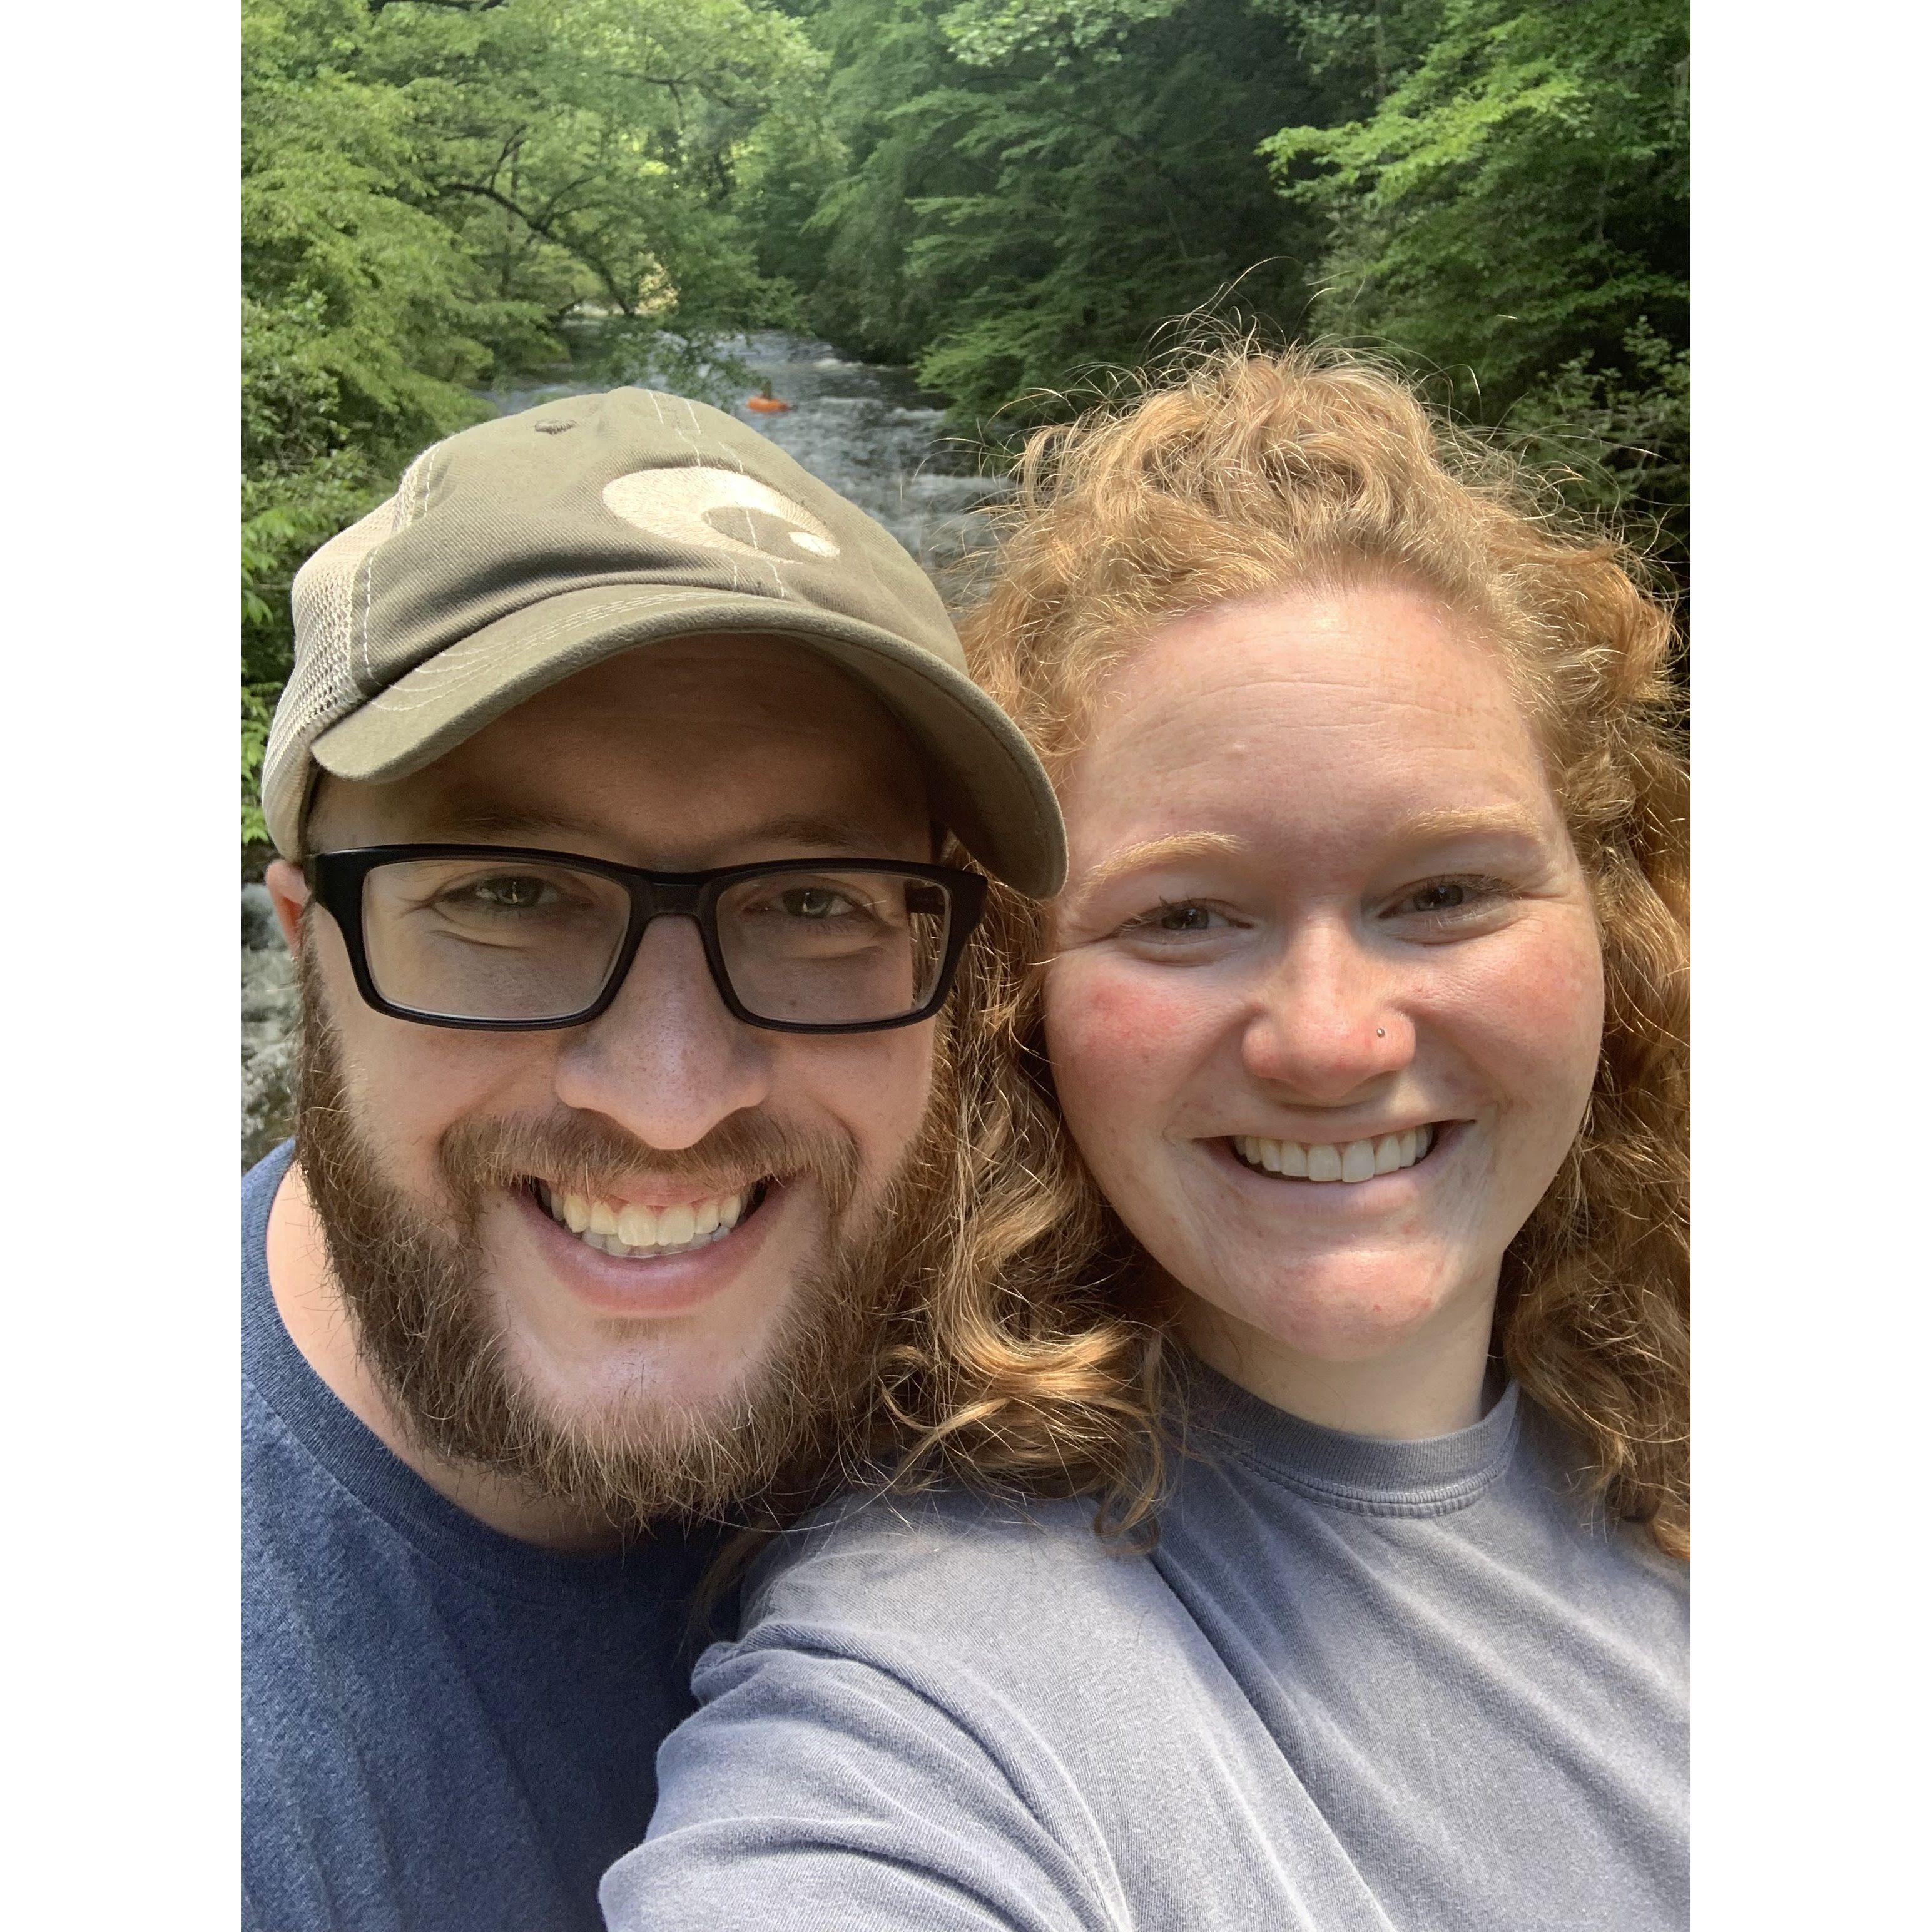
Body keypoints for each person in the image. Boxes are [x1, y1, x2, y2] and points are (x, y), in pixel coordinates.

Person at [603, 347, 1690, 1931]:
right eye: (1185, 915)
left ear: (1612, 916)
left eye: (1443, 890)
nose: (1331, 1034)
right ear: (1016, 991)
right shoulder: (929, 1678)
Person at [241, 387, 1069, 1931]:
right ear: (307, 944)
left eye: (815, 898)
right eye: (504, 891)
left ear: (950, 972)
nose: (672, 1095)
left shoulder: (1046, 1306)